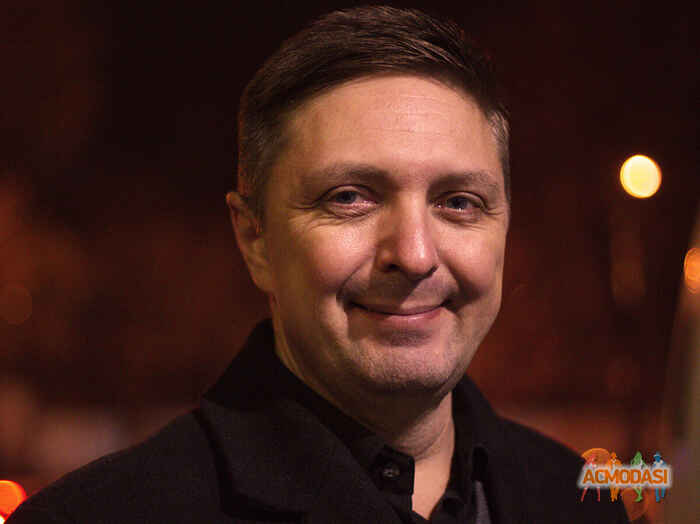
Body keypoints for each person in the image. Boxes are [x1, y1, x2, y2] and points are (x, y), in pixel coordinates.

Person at [8, 6, 629, 523]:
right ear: (254, 239)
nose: (414, 255)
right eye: (350, 198)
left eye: (459, 202)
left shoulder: (583, 501)